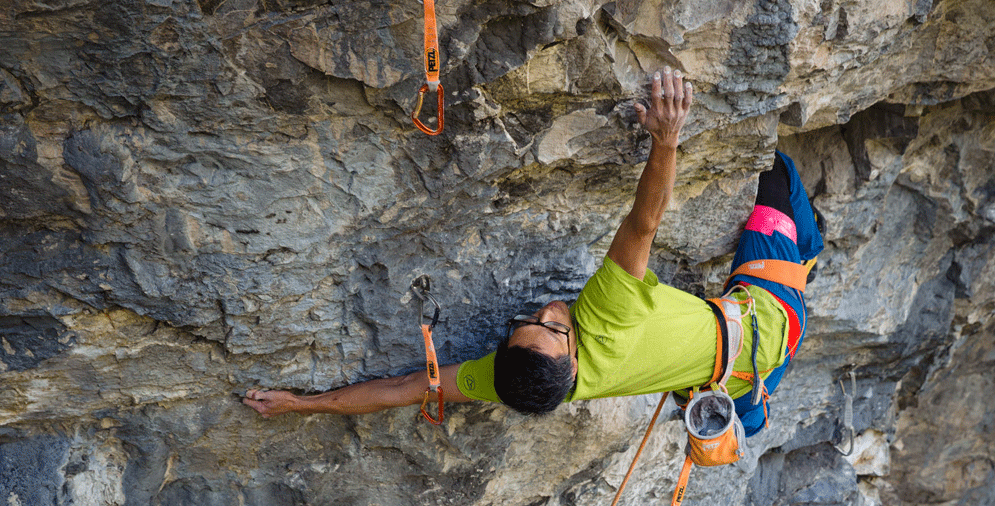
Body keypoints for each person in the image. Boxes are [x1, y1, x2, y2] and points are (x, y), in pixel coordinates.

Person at [244, 67, 823, 436]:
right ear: (571, 361)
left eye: (526, 323)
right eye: (551, 327)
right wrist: (666, 138)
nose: (546, 311)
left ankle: (748, 408)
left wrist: (301, 404)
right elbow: (644, 223)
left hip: (731, 377)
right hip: (769, 321)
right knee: (773, 177)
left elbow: (403, 389)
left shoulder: (512, 378)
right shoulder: (606, 319)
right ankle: (805, 256)